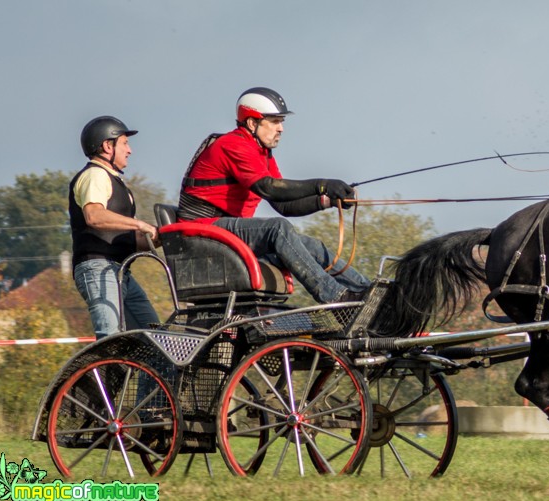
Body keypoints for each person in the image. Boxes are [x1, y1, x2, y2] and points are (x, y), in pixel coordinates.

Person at [177, 87, 370, 303]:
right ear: (252, 123)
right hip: (202, 230)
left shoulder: (261, 152)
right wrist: (323, 185)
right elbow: (268, 187)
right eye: (275, 121)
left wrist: (327, 201)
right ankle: (335, 296)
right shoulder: (233, 145)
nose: (281, 129)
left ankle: (367, 292)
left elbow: (283, 204)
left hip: (225, 231)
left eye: (282, 122)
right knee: (277, 229)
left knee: (309, 244)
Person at [69, 116, 160, 338]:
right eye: (125, 143)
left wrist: (163, 236)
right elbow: (94, 216)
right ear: (107, 146)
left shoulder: (116, 182)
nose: (129, 150)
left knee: (155, 339)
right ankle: (104, 372)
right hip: (99, 268)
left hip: (120, 271)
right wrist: (140, 224)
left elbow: (127, 237)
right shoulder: (95, 175)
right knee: (110, 338)